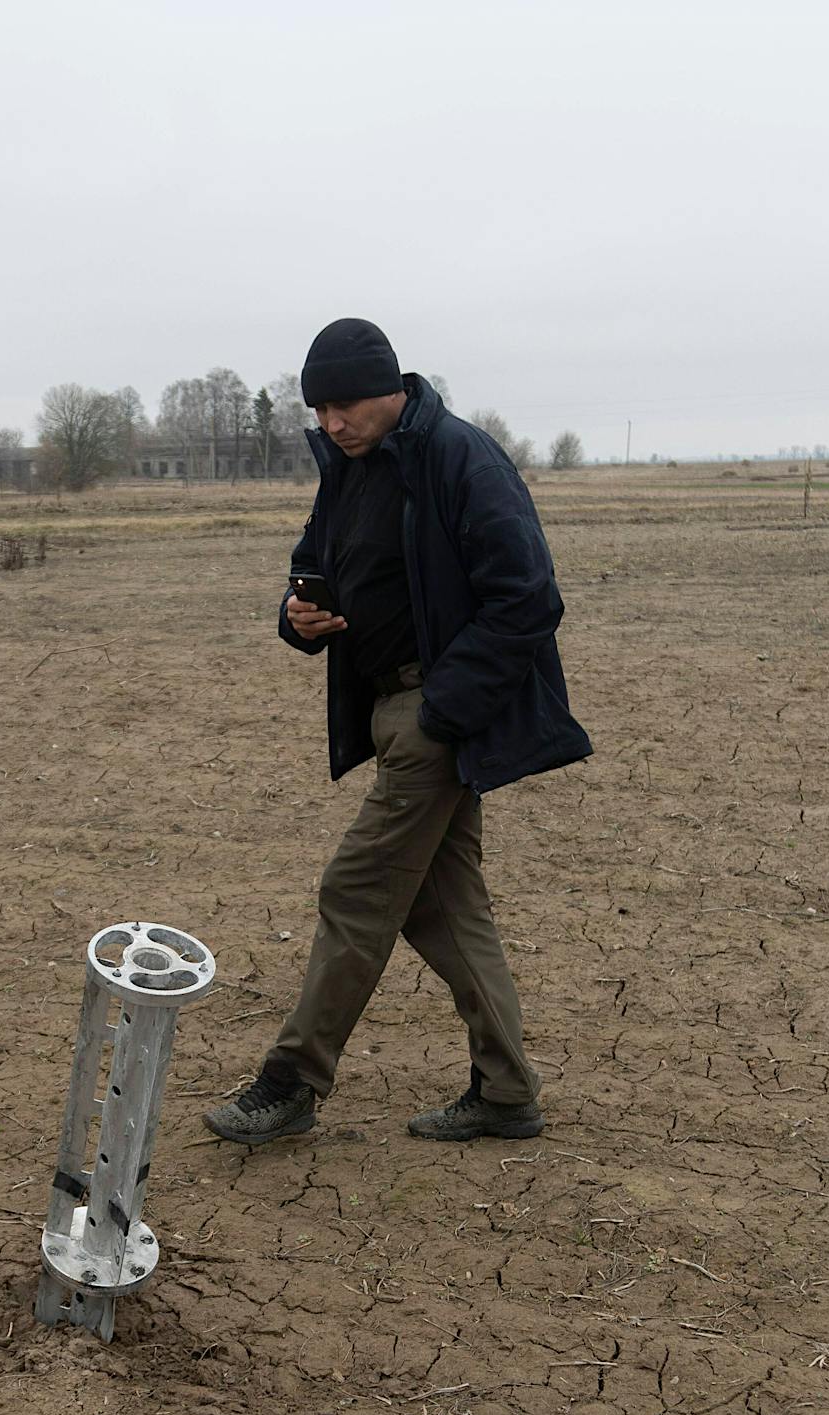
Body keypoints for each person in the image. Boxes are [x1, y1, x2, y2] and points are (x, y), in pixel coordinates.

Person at [205, 318, 590, 1149]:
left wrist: (443, 712)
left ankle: (291, 1082)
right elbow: (318, 563)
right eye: (319, 411)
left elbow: (528, 598)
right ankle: (507, 1091)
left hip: (434, 717)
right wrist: (297, 616)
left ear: (391, 388)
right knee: (446, 909)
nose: (331, 423)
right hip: (392, 710)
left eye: (343, 405)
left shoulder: (461, 459)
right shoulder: (350, 470)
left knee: (358, 887)